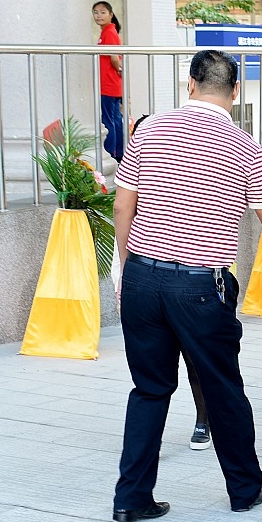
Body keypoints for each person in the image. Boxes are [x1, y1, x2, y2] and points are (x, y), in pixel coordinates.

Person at [112, 49, 262, 522]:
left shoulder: (149, 130)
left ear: (189, 84)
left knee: (148, 390)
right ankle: (243, 490)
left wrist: (129, 268)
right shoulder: (245, 147)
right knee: (223, 389)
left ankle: (131, 497)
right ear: (236, 91)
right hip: (201, 287)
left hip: (142, 277)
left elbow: (124, 207)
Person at [111, 114, 211, 451]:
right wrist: (124, 277)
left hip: (181, 278)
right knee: (152, 371)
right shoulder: (132, 175)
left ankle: (203, 420)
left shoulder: (174, 173)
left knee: (192, 362)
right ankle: (150, 441)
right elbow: (122, 215)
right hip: (144, 275)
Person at [93, 0, 124, 162]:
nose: (98, 15)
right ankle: (119, 153)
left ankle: (111, 153)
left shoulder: (109, 32)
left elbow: (114, 57)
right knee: (115, 119)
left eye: (103, 12)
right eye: (96, 12)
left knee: (108, 121)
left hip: (109, 84)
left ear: (111, 14)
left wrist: (119, 69)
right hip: (111, 84)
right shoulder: (108, 31)